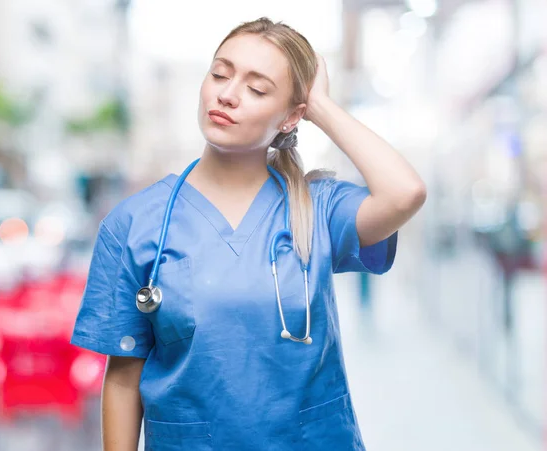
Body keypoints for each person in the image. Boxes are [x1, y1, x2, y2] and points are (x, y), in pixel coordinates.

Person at [70, 17, 426, 451]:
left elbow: (405, 193)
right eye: (220, 74)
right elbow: (124, 377)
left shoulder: (318, 208)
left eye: (257, 89)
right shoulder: (133, 224)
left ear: (293, 115)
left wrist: (320, 106)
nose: (227, 94)